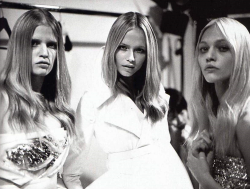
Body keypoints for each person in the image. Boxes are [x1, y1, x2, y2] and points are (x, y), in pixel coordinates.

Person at [74, 12, 193, 189]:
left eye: (140, 50)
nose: (131, 58)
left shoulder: (155, 93)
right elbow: (72, 165)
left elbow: (165, 147)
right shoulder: (93, 100)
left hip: (167, 178)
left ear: (148, 54)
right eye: (123, 47)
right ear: (112, 48)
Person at [0, 8, 79, 189]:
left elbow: (54, 176)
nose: (44, 52)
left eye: (51, 45)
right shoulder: (3, 100)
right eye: (34, 43)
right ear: (19, 46)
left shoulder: (58, 107)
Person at [187, 17, 250, 189]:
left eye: (223, 48)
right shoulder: (212, 113)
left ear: (242, 55)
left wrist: (204, 177)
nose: (210, 56)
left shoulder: (246, 120)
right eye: (203, 49)